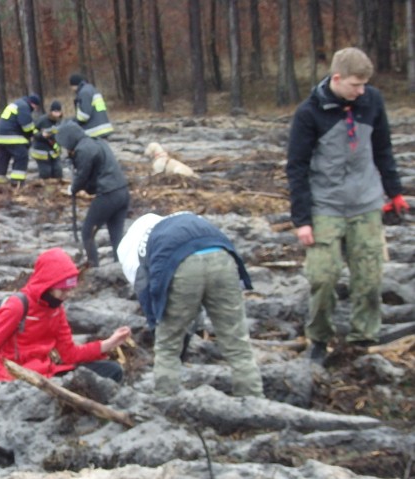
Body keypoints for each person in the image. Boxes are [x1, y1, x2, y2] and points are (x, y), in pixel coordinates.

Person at [286, 47, 408, 363]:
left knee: (369, 278)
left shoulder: (372, 102)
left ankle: (363, 337)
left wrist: (394, 192)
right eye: (355, 84)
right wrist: (302, 220)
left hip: (366, 204)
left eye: (365, 84)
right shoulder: (309, 113)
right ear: (337, 78)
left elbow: (383, 148)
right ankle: (318, 339)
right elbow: (296, 166)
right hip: (325, 207)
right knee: (323, 278)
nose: (361, 90)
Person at [118, 212, 264, 398]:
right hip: (222, 256)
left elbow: (147, 292)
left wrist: (158, 325)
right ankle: (253, 398)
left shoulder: (138, 251)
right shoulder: (177, 223)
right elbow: (199, 298)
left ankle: (165, 398)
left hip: (183, 264)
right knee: (237, 341)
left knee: (167, 346)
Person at [0, 247, 130, 383]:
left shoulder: (56, 309)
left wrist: (109, 343)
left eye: (69, 290)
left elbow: (70, 354)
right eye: (62, 290)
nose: (66, 295)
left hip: (49, 375)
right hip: (23, 379)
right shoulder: (17, 306)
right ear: (47, 286)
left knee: (113, 370)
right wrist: (9, 384)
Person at [55, 121, 129, 268]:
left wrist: (73, 188)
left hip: (108, 194)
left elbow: (83, 175)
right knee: (116, 235)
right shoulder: (97, 142)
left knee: (87, 232)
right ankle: (120, 267)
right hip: (122, 192)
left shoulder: (83, 150)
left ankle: (93, 267)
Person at [0, 94, 41, 186]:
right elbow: (27, 127)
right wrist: (36, 134)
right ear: (33, 104)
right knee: (22, 156)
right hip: (12, 137)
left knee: (2, 158)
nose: (35, 109)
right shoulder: (24, 107)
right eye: (35, 107)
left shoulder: (16, 104)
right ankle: (17, 181)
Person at [69, 73, 113, 139]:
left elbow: (84, 116)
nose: (71, 89)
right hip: (104, 127)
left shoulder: (84, 93)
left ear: (74, 85)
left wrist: (73, 122)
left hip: (95, 131)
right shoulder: (93, 90)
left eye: (71, 86)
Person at [30, 100, 64, 180]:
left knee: (58, 172)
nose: (57, 114)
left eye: (58, 112)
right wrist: (41, 135)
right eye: (55, 111)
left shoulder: (59, 121)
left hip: (54, 150)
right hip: (41, 151)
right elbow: (33, 131)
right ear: (51, 111)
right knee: (46, 173)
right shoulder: (42, 120)